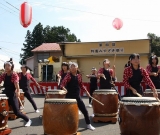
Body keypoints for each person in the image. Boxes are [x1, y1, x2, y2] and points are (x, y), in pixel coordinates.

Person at [60, 62, 95, 131]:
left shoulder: (79, 76)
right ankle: (65, 127)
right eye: (71, 66)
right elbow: (62, 84)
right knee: (67, 114)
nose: (72, 68)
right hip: (69, 97)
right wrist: (64, 89)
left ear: (77, 68)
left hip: (77, 96)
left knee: (85, 111)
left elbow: (81, 85)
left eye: (74, 66)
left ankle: (88, 124)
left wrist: (87, 92)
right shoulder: (68, 75)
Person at [0, 59, 32, 126]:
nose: (6, 67)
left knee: (16, 112)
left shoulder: (14, 74)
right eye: (5, 65)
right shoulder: (4, 74)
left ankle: (28, 120)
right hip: (5, 93)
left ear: (11, 67)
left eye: (8, 65)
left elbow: (16, 84)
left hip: (12, 93)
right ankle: (3, 124)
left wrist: (18, 91)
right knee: (3, 110)